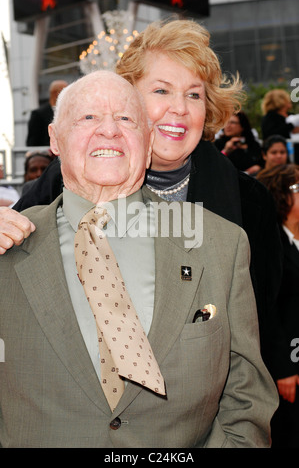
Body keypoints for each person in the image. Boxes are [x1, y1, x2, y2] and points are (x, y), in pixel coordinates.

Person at [0, 70, 278, 448]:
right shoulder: (8, 246)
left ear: (148, 142)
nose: (109, 131)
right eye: (88, 117)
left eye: (126, 119)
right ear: (54, 139)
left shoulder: (220, 244)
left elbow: (246, 390)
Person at [257, 164, 299, 448]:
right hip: (287, 363)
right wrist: (283, 368)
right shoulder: (271, 243)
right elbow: (267, 311)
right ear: (281, 195)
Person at [26, 79, 68, 146]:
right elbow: (33, 143)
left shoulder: (70, 112)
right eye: (66, 91)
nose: (68, 95)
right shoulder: (38, 115)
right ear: (56, 93)